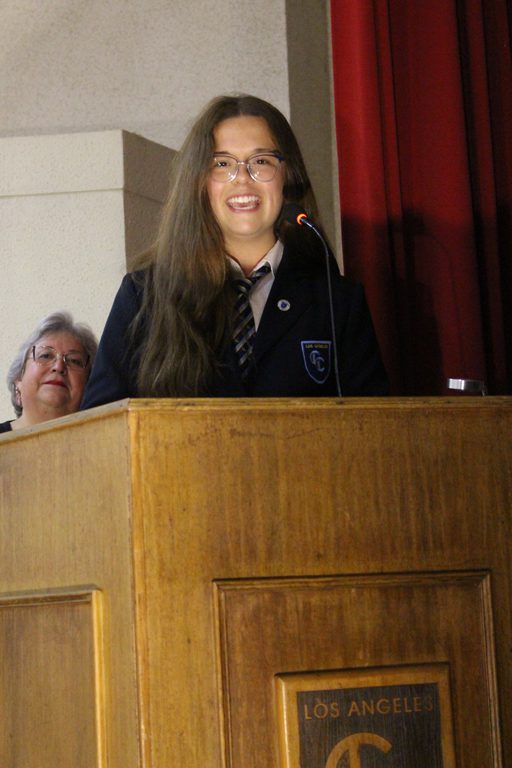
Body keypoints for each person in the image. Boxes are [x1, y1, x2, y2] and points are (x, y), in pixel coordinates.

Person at [81, 94, 388, 408]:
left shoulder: (337, 303)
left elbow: (376, 424)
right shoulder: (144, 296)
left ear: (288, 177)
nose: (242, 178)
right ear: (199, 183)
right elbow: (101, 424)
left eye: (261, 161)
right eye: (222, 164)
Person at [1, 311, 98, 434]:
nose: (59, 366)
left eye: (74, 360)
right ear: (18, 380)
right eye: (45, 356)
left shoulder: (105, 441)